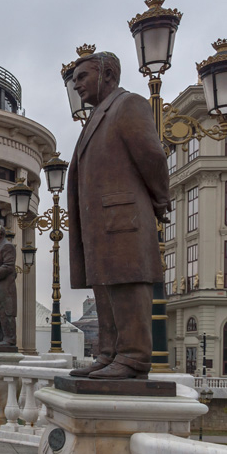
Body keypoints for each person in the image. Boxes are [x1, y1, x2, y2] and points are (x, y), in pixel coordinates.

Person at [67, 51, 169, 380]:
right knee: (105, 285)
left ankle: (134, 357)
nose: (76, 84)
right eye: (75, 78)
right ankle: (109, 352)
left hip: (122, 217)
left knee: (125, 283)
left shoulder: (128, 105)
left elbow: (152, 155)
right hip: (100, 224)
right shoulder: (97, 116)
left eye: (83, 76)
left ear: (108, 75)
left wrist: (159, 198)